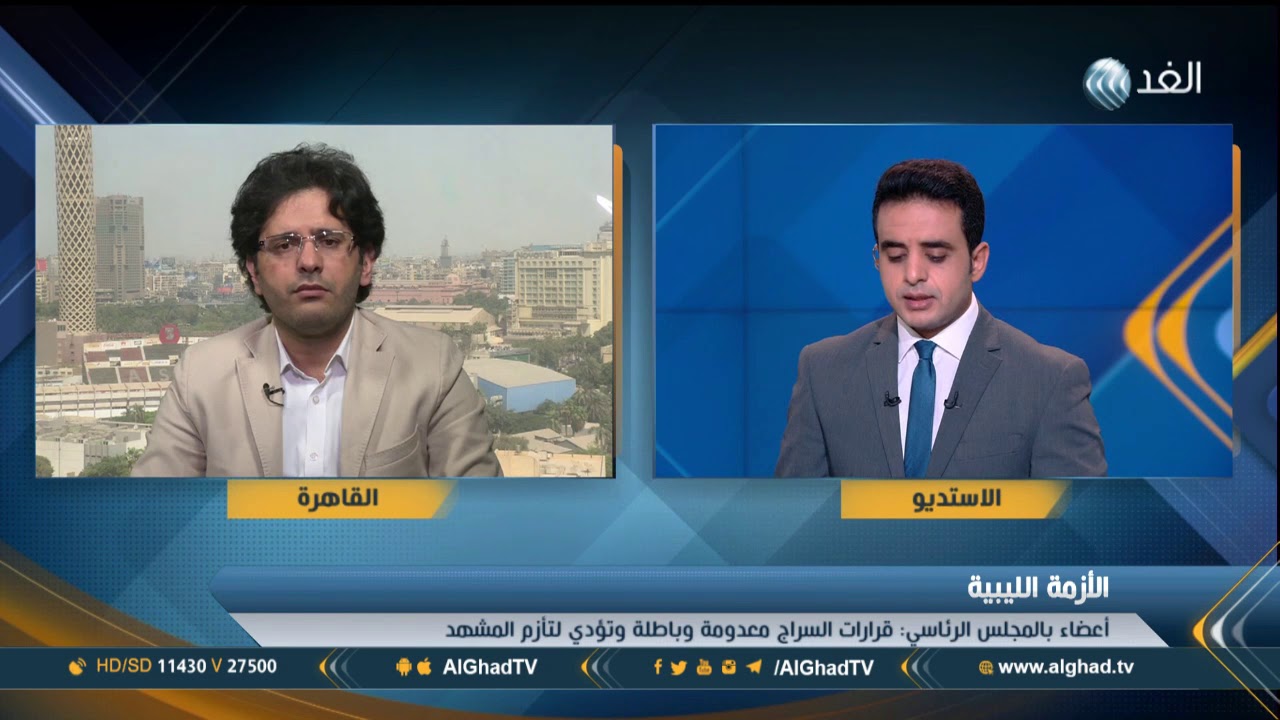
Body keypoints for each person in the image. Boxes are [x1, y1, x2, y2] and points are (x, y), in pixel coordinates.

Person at [133, 143, 501, 477]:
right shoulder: (200, 377)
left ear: (366, 262)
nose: (309, 261)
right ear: (253, 271)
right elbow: (150, 516)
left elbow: (480, 517)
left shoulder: (432, 368)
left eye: (329, 241)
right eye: (284, 244)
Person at [775, 159, 1106, 478]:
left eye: (935, 256)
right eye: (895, 256)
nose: (913, 274)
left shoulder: (1049, 381)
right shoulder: (823, 372)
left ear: (977, 261)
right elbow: (792, 512)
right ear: (877, 258)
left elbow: (1078, 516)